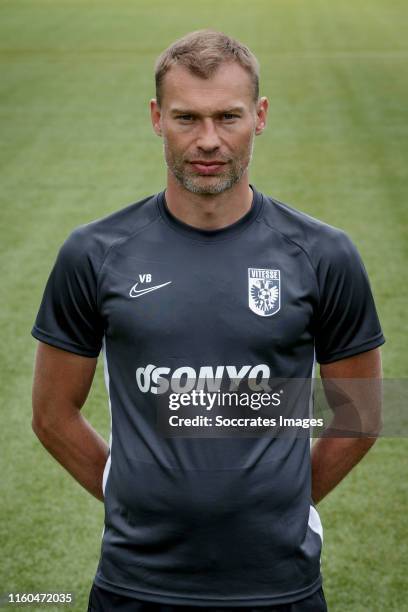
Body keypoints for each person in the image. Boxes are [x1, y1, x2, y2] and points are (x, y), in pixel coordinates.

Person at [31, 30, 385, 612]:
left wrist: (283, 502)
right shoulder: (95, 253)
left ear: (260, 116)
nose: (209, 140)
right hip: (133, 583)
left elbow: (364, 410)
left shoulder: (323, 254)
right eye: (186, 118)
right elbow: (51, 413)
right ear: (156, 118)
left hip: (279, 584)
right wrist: (132, 498)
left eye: (228, 116)